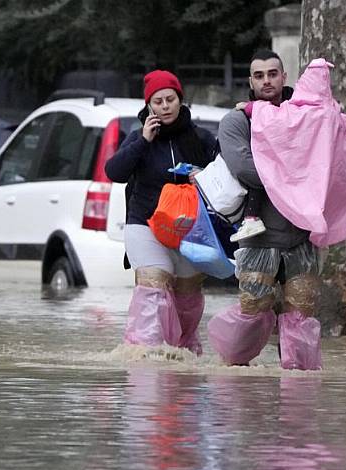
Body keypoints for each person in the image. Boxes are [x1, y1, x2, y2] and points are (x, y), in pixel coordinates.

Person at [208, 50, 324, 370]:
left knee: (302, 313)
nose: (266, 81)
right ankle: (231, 374)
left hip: (302, 235)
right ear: (250, 81)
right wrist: (294, 175)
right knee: (253, 311)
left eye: (272, 74)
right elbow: (244, 167)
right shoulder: (236, 120)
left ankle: (300, 392)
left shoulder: (304, 114)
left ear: (284, 77)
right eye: (259, 76)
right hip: (258, 236)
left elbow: (324, 157)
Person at [105, 69, 216, 355]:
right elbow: (114, 171)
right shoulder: (138, 138)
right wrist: (143, 140)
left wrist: (203, 176)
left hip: (190, 228)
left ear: (180, 100)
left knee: (187, 297)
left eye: (170, 99)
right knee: (154, 284)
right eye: (158, 101)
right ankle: (144, 353)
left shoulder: (201, 138)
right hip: (145, 224)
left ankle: (183, 351)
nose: (165, 106)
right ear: (149, 106)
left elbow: (223, 178)